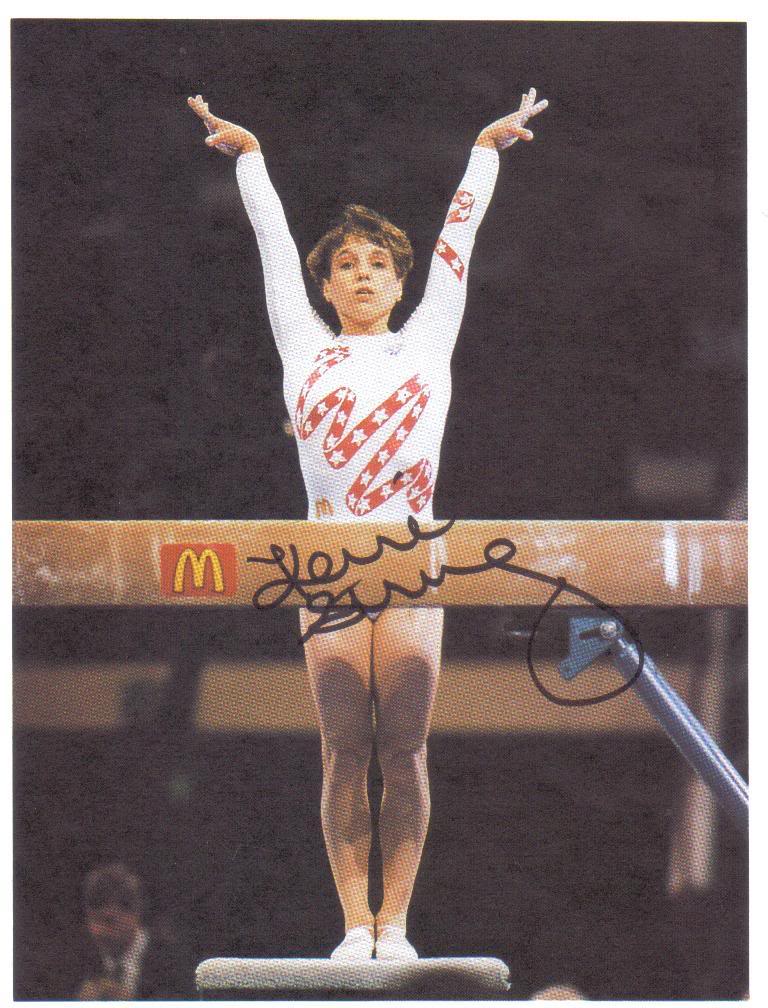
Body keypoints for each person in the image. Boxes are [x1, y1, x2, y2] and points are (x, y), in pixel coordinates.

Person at [188, 89, 548, 961]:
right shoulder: (304, 345)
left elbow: (458, 242)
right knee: (346, 749)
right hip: (327, 559)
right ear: (325, 286)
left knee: (407, 751)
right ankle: (355, 923)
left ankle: (398, 923)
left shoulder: (427, 340)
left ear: (400, 282)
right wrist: (251, 161)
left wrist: (485, 152)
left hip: (413, 555)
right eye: (345, 265)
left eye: (377, 264)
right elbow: (273, 250)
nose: (360, 275)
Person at [75, 863, 191, 999]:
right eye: (93, 921)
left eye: (109, 921)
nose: (98, 931)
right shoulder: (78, 962)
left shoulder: (175, 961)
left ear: (134, 914)